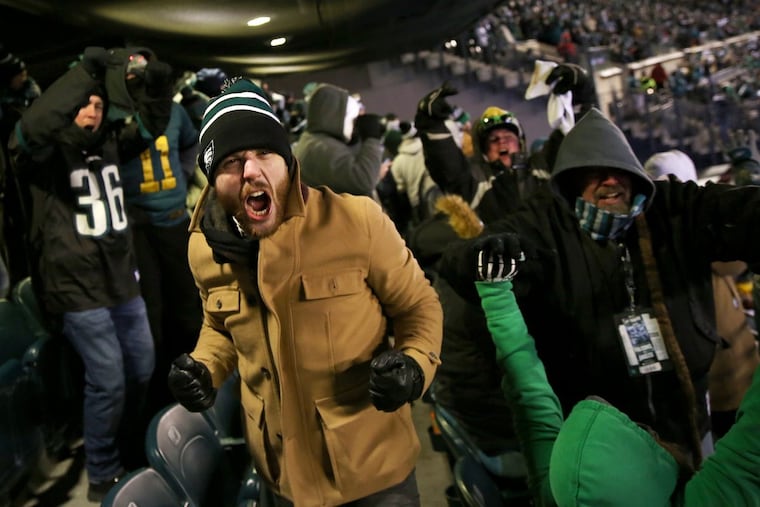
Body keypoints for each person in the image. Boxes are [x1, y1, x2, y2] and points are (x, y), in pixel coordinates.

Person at [166, 78, 443, 507]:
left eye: (264, 154)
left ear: (288, 161)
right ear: (211, 179)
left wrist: (413, 365)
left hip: (373, 473)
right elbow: (219, 326)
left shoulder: (357, 221)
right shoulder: (203, 247)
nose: (252, 171)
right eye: (232, 161)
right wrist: (206, 367)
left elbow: (418, 305)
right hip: (282, 478)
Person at [438, 107, 760, 469]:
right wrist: (483, 254)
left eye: (618, 169)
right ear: (570, 181)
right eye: (593, 172)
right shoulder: (546, 224)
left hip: (691, 426)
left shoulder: (669, 209)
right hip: (603, 448)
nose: (609, 181)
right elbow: (460, 262)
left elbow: (736, 212)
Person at [471, 236, 760, 507]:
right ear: (647, 478)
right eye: (641, 432)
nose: (648, 430)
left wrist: (496, 294)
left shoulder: (558, 494)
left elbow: (530, 398)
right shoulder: (707, 499)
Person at [7, 47, 157, 502]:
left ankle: (127, 450)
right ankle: (103, 470)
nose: (92, 111)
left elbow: (151, 125)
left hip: (119, 281)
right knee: (108, 377)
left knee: (143, 367)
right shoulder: (42, 154)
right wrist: (86, 71)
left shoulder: (110, 139)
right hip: (77, 288)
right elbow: (32, 127)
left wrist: (154, 85)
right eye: (83, 104)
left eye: (97, 103)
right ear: (65, 106)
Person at [111, 47, 203, 415]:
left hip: (175, 219)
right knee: (154, 315)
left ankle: (194, 382)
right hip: (140, 227)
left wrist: (183, 177)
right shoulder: (118, 117)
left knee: (187, 307)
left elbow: (190, 142)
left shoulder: (176, 111)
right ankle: (161, 397)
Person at [644, 148, 760, 441]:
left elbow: (733, 266)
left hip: (730, 381)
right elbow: (735, 261)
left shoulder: (673, 239)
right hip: (723, 386)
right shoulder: (678, 241)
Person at [293, 82, 387, 199]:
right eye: (353, 119)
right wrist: (372, 138)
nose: (355, 126)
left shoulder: (315, 141)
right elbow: (363, 181)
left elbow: (346, 177)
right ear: (339, 118)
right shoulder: (320, 148)